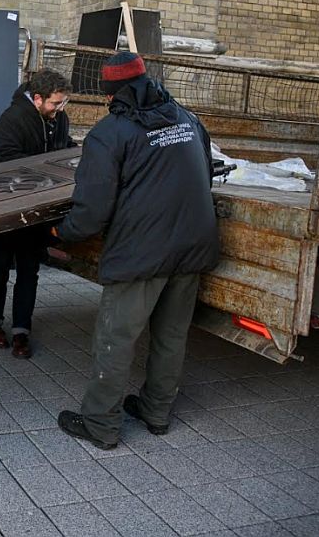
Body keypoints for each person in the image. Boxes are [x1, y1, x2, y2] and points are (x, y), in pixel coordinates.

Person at [54, 52, 219, 450]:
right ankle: (155, 411)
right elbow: (207, 173)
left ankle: (100, 424)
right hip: (194, 244)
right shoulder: (186, 118)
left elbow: (93, 209)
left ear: (110, 95)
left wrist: (65, 231)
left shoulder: (109, 133)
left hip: (142, 252)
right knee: (171, 334)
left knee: (116, 338)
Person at [0, 69, 76, 358]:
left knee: (28, 271)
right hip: (7, 209)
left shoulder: (58, 119)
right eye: (55, 103)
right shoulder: (10, 121)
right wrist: (49, 168)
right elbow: (5, 163)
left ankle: (22, 330)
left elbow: (63, 146)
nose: (60, 109)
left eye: (63, 103)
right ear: (37, 98)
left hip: (37, 213)